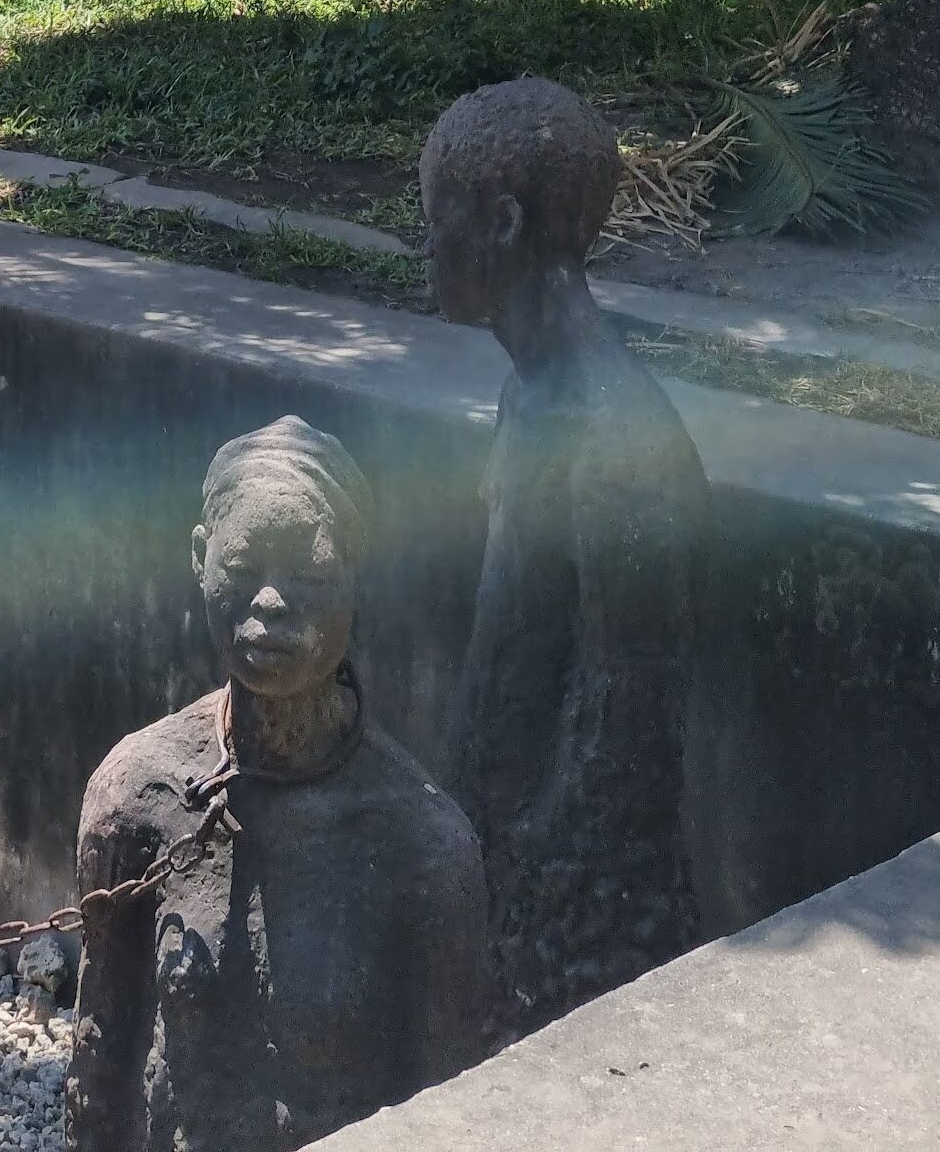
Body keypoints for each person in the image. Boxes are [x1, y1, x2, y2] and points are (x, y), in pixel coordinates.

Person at [69, 416, 494, 1152]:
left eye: (312, 574)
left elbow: (449, 1111)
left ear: (356, 579)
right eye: (243, 566)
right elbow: (100, 1072)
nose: (270, 601)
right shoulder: (140, 796)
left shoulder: (421, 846)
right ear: (200, 559)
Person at [418, 76, 706, 1025]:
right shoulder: (529, 397)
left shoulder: (615, 440)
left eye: (436, 217)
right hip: (494, 843)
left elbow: (624, 734)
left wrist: (528, 893)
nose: (425, 244)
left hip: (569, 913)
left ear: (501, 222)